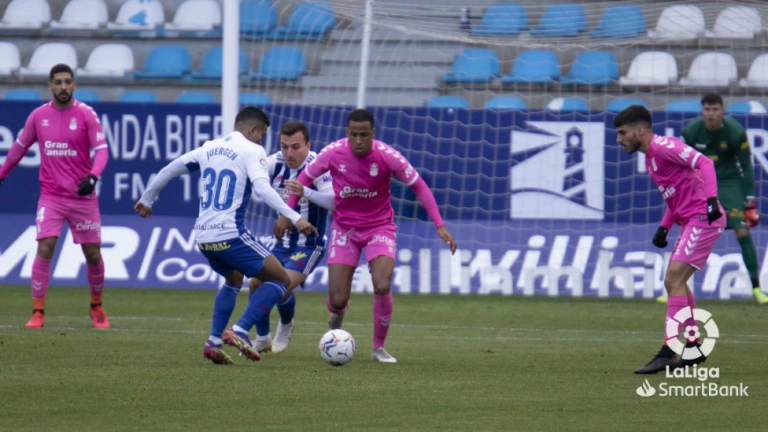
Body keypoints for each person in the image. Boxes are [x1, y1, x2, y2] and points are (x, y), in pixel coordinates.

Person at [134, 107, 318, 365]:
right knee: (280, 279)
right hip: (231, 234)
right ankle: (240, 329)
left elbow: (169, 170)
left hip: (203, 237)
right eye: (262, 135)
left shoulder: (208, 147)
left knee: (234, 279)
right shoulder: (252, 150)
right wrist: (296, 217)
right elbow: (263, 188)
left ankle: (213, 341)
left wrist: (147, 199)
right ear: (252, 129)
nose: (262, 141)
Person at [285, 108, 458, 363]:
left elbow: (419, 185)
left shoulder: (387, 156)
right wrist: (289, 215)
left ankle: (378, 348)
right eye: (353, 134)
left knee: (382, 284)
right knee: (338, 298)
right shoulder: (332, 153)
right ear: (347, 132)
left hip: (379, 227)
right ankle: (338, 312)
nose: (358, 140)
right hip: (345, 229)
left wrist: (439, 225)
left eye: (364, 135)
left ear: (373, 133)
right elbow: (302, 180)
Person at [613, 106, 725, 374]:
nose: (619, 139)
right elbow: (675, 196)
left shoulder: (664, 147)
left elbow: (705, 163)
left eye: (623, 133)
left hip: (703, 217)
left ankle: (669, 350)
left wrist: (711, 200)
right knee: (677, 281)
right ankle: (693, 345)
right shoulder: (650, 159)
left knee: (673, 279)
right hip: (689, 220)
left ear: (640, 131)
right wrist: (664, 227)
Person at [0, 64, 110, 329]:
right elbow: (19, 147)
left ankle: (96, 306)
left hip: (82, 197)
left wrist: (93, 176)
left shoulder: (86, 114)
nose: (63, 87)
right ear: (50, 85)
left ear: (74, 85)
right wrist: (2, 173)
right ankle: (38, 312)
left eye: (67, 82)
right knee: (45, 246)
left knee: (93, 254)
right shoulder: (38, 116)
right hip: (51, 196)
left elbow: (102, 150)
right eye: (58, 82)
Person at [657, 93, 767, 304]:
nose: (711, 114)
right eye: (707, 109)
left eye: (715, 109)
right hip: (701, 183)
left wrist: (750, 200)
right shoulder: (691, 131)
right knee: (689, 232)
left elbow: (746, 166)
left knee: (742, 230)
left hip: (729, 182)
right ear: (702, 111)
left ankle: (756, 289)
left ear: (722, 111)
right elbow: (681, 164)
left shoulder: (735, 131)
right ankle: (674, 286)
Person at [242, 120, 335, 354]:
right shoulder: (274, 163)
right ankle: (262, 337)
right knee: (255, 284)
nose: (289, 153)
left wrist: (305, 192)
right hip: (281, 242)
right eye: (284, 146)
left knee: (280, 288)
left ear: (308, 145)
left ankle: (285, 324)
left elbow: (333, 201)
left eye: (295, 147)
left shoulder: (319, 166)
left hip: (309, 244)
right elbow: (249, 178)